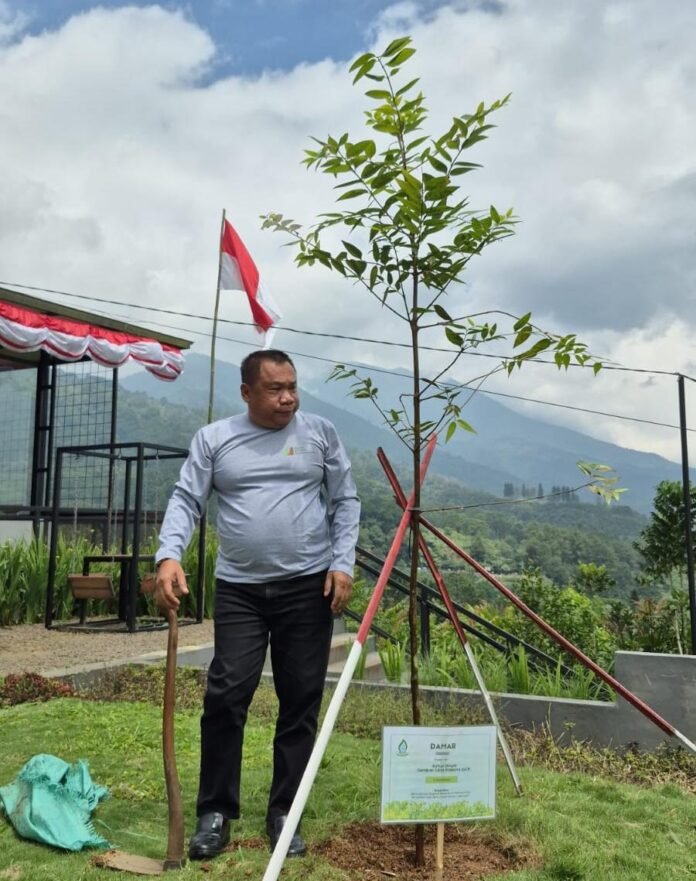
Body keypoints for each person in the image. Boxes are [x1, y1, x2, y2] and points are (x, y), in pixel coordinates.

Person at [154, 349, 360, 861]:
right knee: (226, 693)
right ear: (247, 392)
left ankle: (285, 812)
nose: (288, 398)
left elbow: (345, 499)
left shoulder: (320, 433)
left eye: (293, 387)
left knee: (301, 698)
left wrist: (343, 562)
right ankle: (215, 812)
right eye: (274, 389)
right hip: (240, 589)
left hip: (307, 587)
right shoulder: (215, 439)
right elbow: (187, 499)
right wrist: (168, 555)